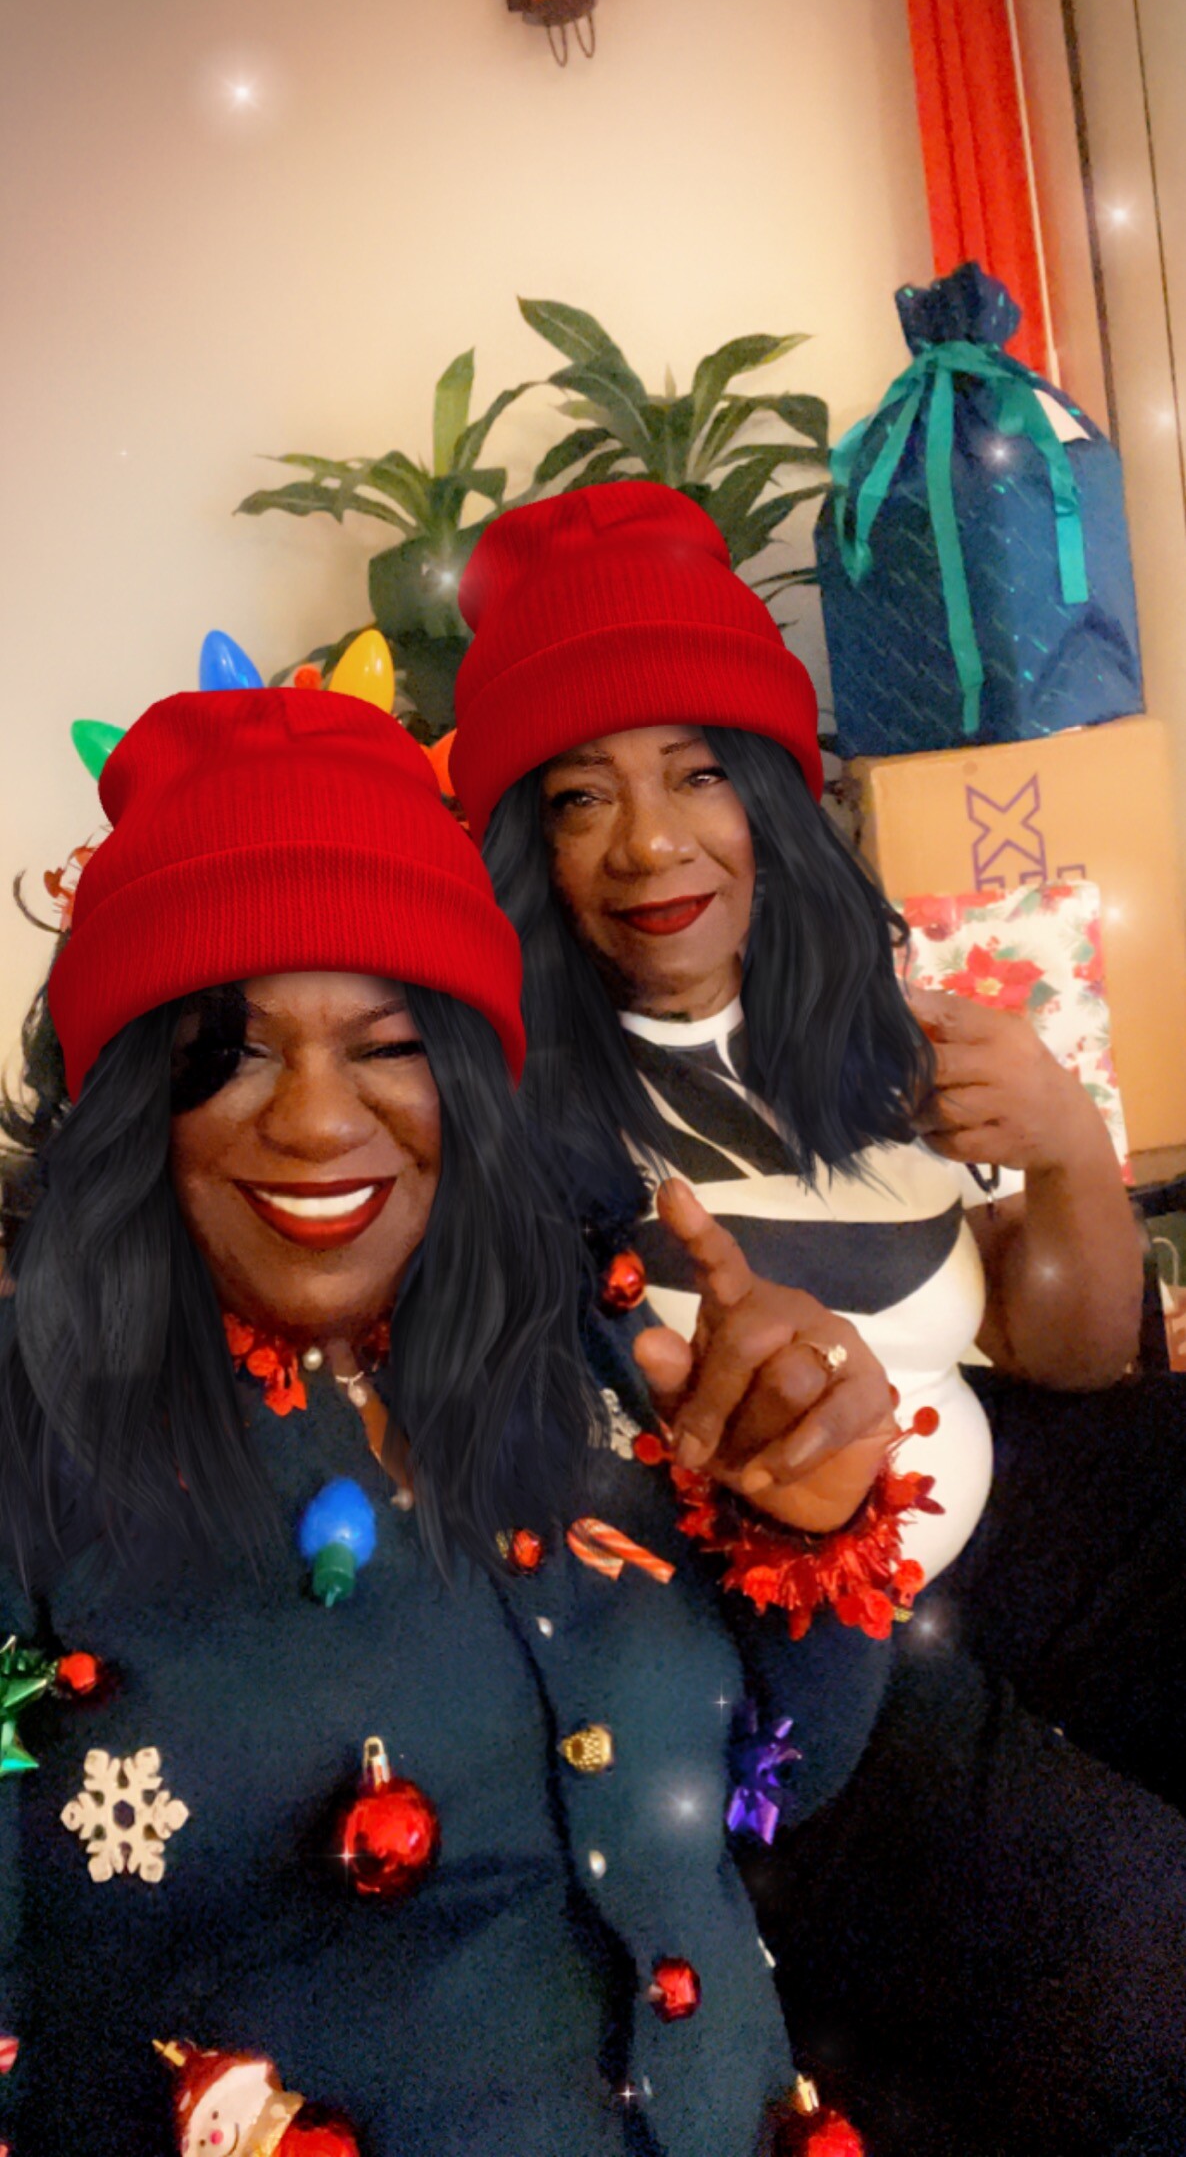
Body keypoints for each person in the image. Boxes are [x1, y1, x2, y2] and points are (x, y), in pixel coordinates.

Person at [0, 678, 905, 2157]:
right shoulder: (34, 1441)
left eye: (389, 1042)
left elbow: (778, 1791)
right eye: (231, 1048)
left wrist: (806, 1530)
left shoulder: (585, 1338)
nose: (315, 1118)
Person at [448, 481, 1186, 2156]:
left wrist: (1066, 1150)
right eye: (580, 795)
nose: (651, 842)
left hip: (997, 1534)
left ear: (769, 792)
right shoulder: (499, 1114)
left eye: (695, 771)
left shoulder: (874, 1014)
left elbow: (1067, 1357)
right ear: (523, 849)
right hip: (801, 1668)